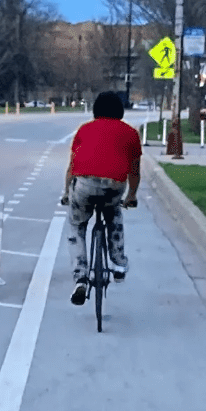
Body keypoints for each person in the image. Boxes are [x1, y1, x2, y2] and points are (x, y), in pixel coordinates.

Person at [60, 90, 142, 306]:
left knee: (77, 227)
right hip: (114, 184)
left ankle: (80, 278)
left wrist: (67, 193)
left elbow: (72, 167)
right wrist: (131, 195)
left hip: (84, 183)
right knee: (114, 215)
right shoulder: (131, 133)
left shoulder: (84, 130)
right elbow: (134, 171)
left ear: (96, 110)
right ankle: (118, 264)